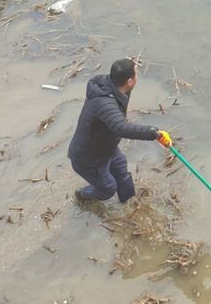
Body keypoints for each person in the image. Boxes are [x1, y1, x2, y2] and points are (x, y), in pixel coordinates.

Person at [68, 57, 171, 203]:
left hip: (106, 146)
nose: (138, 76)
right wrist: (154, 133)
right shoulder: (104, 103)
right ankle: (82, 197)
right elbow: (121, 128)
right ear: (129, 81)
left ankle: (128, 203)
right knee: (108, 188)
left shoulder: (116, 87)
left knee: (121, 168)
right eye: (136, 74)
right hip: (88, 158)